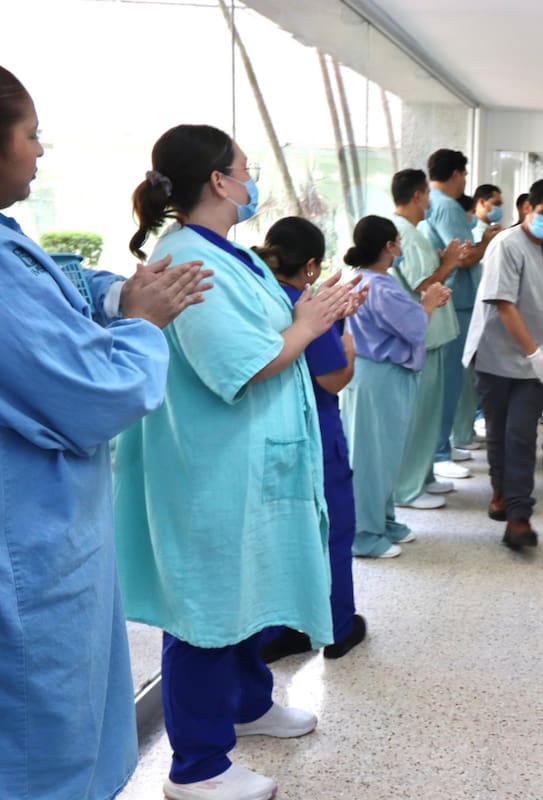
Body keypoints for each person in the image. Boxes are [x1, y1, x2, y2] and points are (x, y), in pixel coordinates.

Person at [115, 123, 363, 800]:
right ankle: (196, 766)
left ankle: (249, 703)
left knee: (250, 589)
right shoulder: (183, 262)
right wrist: (310, 324)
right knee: (207, 607)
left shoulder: (234, 254)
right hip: (212, 466)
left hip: (255, 456)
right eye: (245, 169)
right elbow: (244, 363)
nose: (253, 181)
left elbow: (276, 328)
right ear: (220, 182)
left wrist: (319, 308)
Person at [0, 67, 212, 800]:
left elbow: (54, 284)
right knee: (42, 746)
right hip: (28, 546)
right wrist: (144, 322)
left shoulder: (8, 241)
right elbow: (100, 391)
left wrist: (118, 293)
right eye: (30, 135)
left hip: (52, 532)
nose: (39, 151)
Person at [255, 217, 371, 662]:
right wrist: (347, 346)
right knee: (331, 531)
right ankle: (338, 628)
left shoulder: (258, 297)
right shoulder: (309, 308)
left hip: (267, 433)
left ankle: (276, 633)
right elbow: (331, 381)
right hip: (314, 435)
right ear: (310, 265)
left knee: (277, 535)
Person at [463, 177, 543, 549]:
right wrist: (535, 354)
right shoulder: (505, 245)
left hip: (534, 356)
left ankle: (519, 516)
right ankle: (500, 492)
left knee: (521, 433)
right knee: (498, 432)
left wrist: (542, 355)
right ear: (527, 207)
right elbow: (503, 303)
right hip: (497, 353)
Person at [340, 215, 451, 557]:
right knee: (373, 459)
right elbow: (415, 327)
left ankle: (384, 521)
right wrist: (429, 302)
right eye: (397, 242)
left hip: (374, 375)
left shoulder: (363, 279)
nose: (401, 247)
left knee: (384, 456)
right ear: (390, 247)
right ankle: (365, 535)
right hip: (380, 378)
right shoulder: (380, 286)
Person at [392, 168, 471, 510]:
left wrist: (441, 262)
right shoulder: (404, 234)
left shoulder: (411, 232)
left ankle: (423, 476)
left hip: (433, 336)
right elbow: (423, 284)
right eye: (426, 196)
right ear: (417, 196)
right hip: (422, 335)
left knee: (430, 413)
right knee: (420, 415)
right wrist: (449, 264)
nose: (429, 203)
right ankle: (408, 488)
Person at [418, 149, 495, 482]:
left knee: (452, 382)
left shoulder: (433, 203)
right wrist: (487, 243)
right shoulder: (446, 205)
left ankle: (443, 447)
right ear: (455, 174)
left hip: (449, 300)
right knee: (447, 382)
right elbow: (462, 257)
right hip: (452, 301)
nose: (465, 182)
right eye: (464, 174)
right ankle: (438, 453)